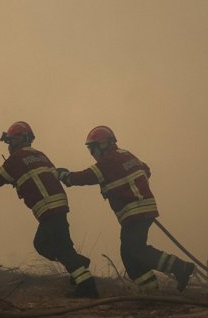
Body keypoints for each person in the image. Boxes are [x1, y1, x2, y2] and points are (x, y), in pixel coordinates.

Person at [56, 125, 195, 293]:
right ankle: (150, 290)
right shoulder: (126, 155)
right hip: (142, 209)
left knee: (135, 249)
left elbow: (85, 177)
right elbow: (146, 170)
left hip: (135, 211)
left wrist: (65, 175)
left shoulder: (108, 161)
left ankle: (181, 268)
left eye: (93, 149)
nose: (92, 153)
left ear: (104, 144)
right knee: (129, 254)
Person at [0, 121, 98, 298]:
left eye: (10, 141)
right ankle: (84, 280)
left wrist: (11, 176)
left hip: (48, 209)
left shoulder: (15, 159)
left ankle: (83, 276)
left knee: (43, 245)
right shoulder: (41, 156)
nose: (9, 145)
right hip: (59, 206)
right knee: (63, 246)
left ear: (18, 140)